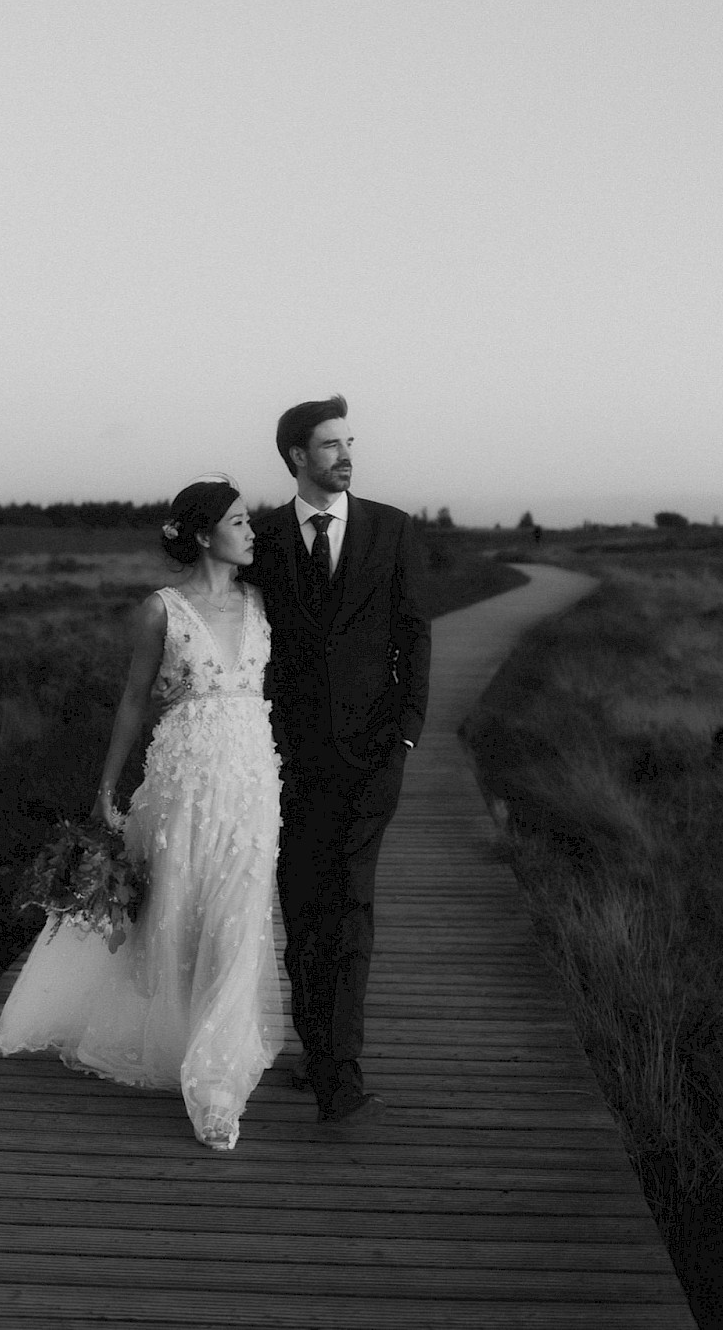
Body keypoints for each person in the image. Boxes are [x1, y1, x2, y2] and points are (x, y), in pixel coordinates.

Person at [0, 480, 284, 1152]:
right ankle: (176, 1034)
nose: (252, 531)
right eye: (240, 521)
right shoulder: (161, 610)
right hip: (182, 779)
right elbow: (132, 700)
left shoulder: (265, 602)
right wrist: (105, 785)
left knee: (241, 916)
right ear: (206, 533)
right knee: (175, 912)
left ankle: (217, 1082)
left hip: (251, 781)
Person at [246, 395, 431, 1131]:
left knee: (350, 905)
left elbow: (415, 633)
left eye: (349, 441)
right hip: (288, 760)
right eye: (329, 444)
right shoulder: (260, 538)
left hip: (372, 755)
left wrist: (408, 734)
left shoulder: (392, 529)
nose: (345, 454)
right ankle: (319, 1050)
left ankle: (340, 1073)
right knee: (303, 908)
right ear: (296, 456)